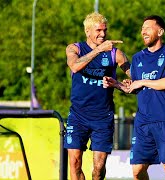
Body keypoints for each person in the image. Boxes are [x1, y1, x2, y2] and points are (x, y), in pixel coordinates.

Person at [104, 15, 165, 180]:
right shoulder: (138, 58)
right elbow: (135, 87)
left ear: (160, 31)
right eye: (142, 29)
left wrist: (141, 81)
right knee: (137, 170)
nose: (143, 31)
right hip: (143, 121)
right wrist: (118, 84)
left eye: (148, 28)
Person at [64, 12, 130, 180]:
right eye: (98, 30)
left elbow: (135, 82)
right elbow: (74, 66)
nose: (103, 34)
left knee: (98, 169)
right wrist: (99, 50)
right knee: (75, 162)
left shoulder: (116, 54)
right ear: (87, 31)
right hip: (78, 116)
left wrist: (120, 85)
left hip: (103, 117)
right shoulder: (74, 49)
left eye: (105, 30)